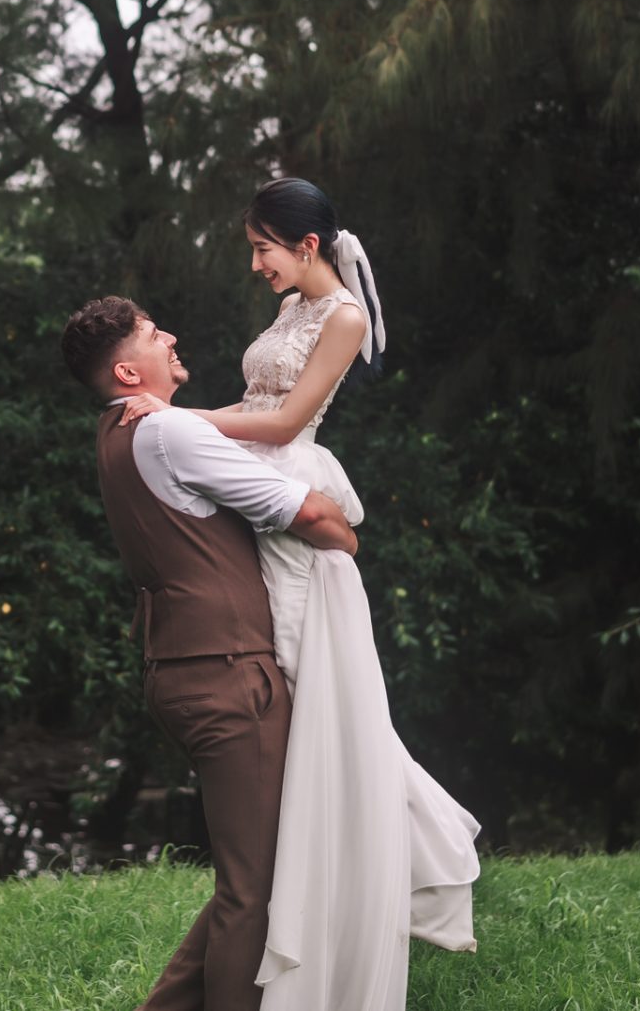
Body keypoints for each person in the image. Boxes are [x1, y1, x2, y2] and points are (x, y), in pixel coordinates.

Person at [116, 176, 481, 1011]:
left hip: (284, 474)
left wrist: (175, 419)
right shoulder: (290, 309)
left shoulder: (343, 317)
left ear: (306, 245)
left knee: (298, 667)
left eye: (263, 248)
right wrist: (183, 422)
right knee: (280, 670)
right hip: (251, 475)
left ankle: (361, 845)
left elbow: (283, 422)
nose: (256, 264)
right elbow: (256, 403)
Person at [60, 295, 360, 1011]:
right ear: (128, 370)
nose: (170, 336)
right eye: (152, 333)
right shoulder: (167, 433)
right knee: (256, 890)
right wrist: (346, 535)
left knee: (250, 880)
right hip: (227, 676)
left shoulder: (119, 432)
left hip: (187, 670)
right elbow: (307, 511)